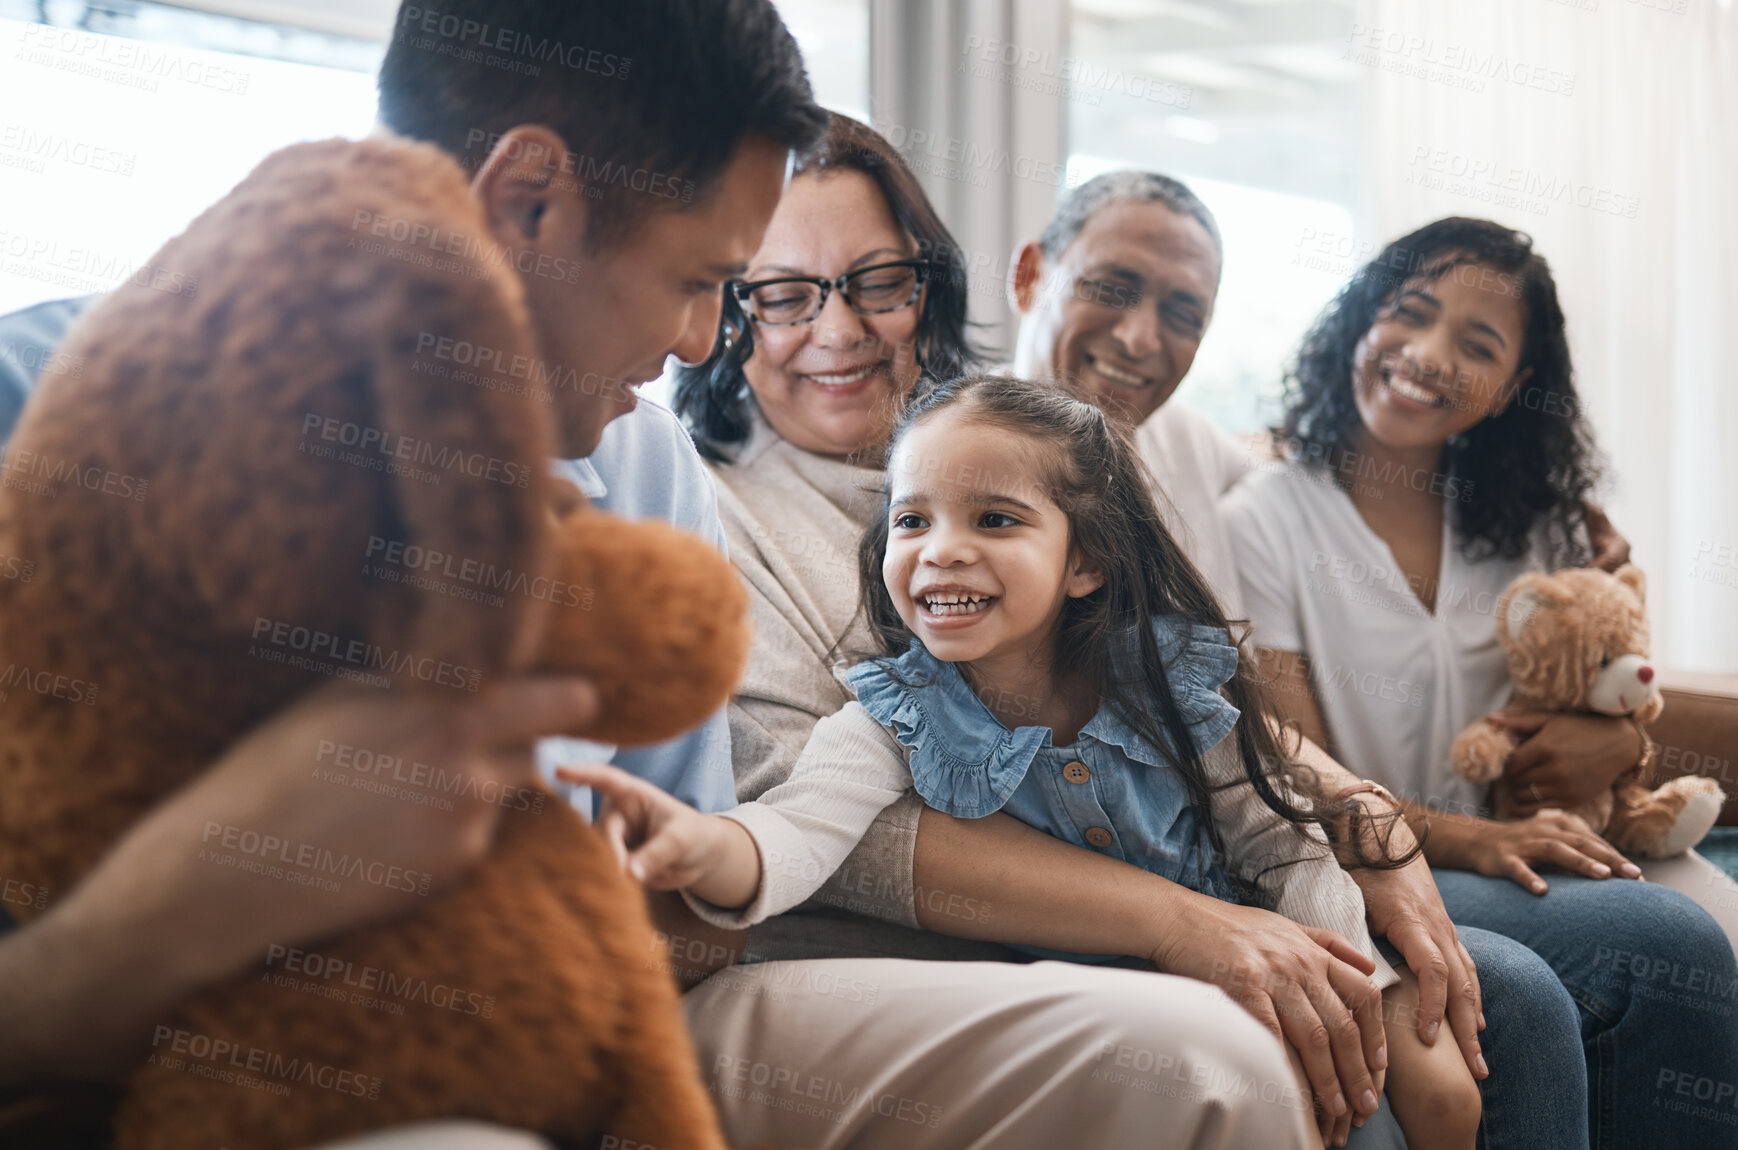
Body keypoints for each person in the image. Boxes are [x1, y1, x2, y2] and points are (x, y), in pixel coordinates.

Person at [0, 0, 814, 1145]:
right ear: (529, 198)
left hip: (569, 1025)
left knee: (1144, 1052)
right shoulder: (37, 417)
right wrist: (217, 883)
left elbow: (690, 917)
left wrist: (587, 916)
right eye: (696, 279)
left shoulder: (638, 458)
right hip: (162, 1090)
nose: (699, 343)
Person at [574, 373, 1490, 1150]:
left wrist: (1333, 978)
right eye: (911, 520)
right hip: (1105, 997)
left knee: (1443, 1095)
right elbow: (799, 829)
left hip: (1283, 927)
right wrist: (705, 848)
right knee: (1246, 1079)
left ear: (1084, 561)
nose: (942, 549)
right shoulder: (891, 717)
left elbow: (1281, 840)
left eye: (996, 518)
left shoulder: (1164, 685)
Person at [1221, 215, 1738, 1149]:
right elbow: (1293, 766)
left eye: (1478, 344)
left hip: (1530, 840)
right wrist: (1474, 838)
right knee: (1665, 948)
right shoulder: (1266, 519)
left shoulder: (1534, 523)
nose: (1427, 354)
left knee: (1719, 927)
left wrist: (1616, 744)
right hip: (1375, 863)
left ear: (1515, 390)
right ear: (1361, 318)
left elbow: (1607, 689)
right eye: (1410, 314)